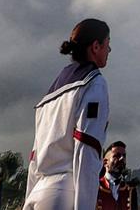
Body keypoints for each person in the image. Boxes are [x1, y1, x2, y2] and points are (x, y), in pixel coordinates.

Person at [25, 19, 113, 210]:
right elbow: (86, 149)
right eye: (107, 43)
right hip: (65, 192)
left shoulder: (50, 94)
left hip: (39, 190)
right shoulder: (94, 82)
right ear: (96, 46)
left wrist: (29, 200)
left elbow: (34, 156)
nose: (110, 50)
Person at [97, 143, 137, 210]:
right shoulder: (95, 186)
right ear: (105, 162)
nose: (122, 158)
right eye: (117, 156)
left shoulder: (130, 190)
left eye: (124, 156)